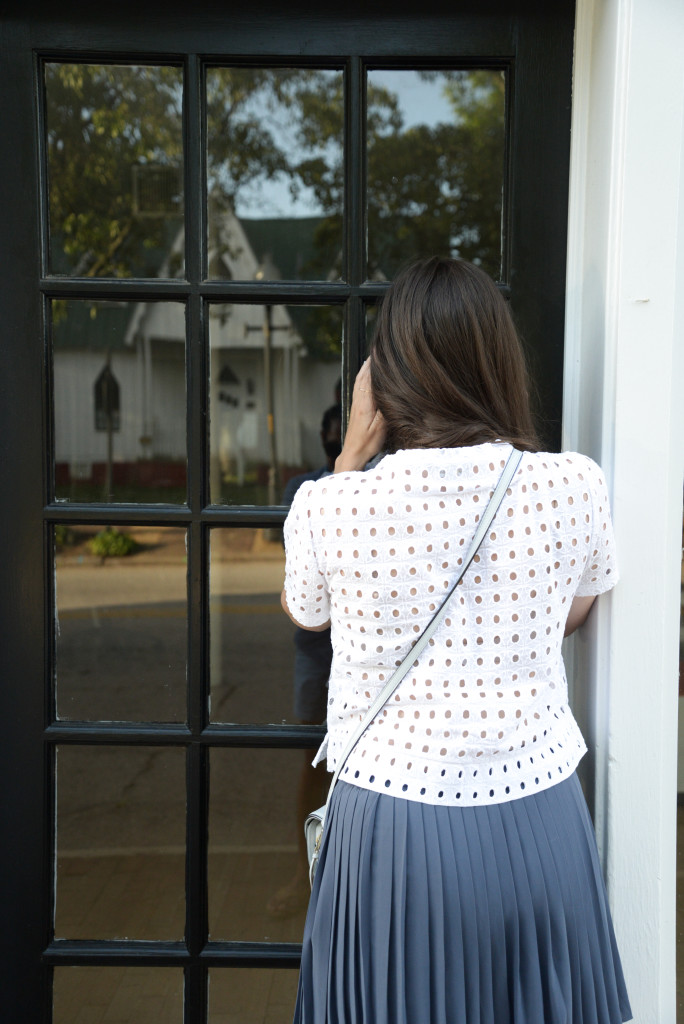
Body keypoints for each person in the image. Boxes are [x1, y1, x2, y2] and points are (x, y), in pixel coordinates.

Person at [281, 256, 632, 1024]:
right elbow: (576, 608)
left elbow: (309, 613)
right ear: (498, 362)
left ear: (387, 380)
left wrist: (347, 458)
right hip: (537, 815)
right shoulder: (573, 484)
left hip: (389, 829)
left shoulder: (332, 505)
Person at [267, 403, 342, 919]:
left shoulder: (387, 476)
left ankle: (344, 884)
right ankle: (304, 873)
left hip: (374, 656)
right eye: (331, 426)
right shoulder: (305, 489)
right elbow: (304, 596)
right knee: (311, 762)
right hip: (319, 654)